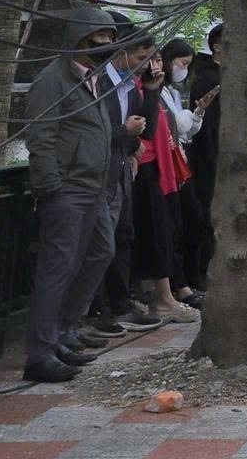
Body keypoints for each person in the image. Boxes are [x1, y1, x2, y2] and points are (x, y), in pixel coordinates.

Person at [22, 7, 128, 382]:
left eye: (110, 38)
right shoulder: (53, 80)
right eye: (101, 38)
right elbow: (41, 136)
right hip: (67, 189)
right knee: (56, 269)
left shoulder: (94, 78)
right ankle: (40, 353)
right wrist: (51, 186)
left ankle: (65, 330)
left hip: (94, 187)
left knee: (101, 252)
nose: (107, 44)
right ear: (80, 39)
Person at [89, 19, 156, 333]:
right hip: (98, 173)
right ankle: (94, 308)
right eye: (142, 57)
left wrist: (152, 92)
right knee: (98, 243)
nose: (146, 65)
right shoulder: (99, 82)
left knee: (122, 236)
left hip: (121, 170)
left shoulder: (132, 87)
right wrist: (124, 133)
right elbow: (94, 132)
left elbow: (145, 129)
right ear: (123, 52)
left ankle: (120, 302)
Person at [128, 46, 197, 322]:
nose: (154, 65)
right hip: (142, 169)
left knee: (165, 232)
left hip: (161, 168)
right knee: (153, 235)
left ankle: (170, 293)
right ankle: (161, 298)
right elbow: (144, 130)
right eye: (147, 59)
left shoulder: (156, 90)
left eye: (157, 59)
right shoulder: (132, 89)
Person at [159, 38, 214, 302]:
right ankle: (179, 284)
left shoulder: (172, 92)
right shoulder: (157, 92)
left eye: (187, 65)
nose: (183, 69)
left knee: (192, 219)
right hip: (166, 164)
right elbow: (175, 125)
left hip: (180, 160)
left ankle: (188, 278)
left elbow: (186, 129)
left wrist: (198, 112)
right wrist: (186, 118)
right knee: (178, 224)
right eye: (182, 63)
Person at [184, 22, 223, 287]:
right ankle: (198, 274)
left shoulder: (220, 75)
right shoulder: (209, 79)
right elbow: (206, 125)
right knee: (205, 218)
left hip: (215, 157)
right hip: (207, 159)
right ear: (217, 46)